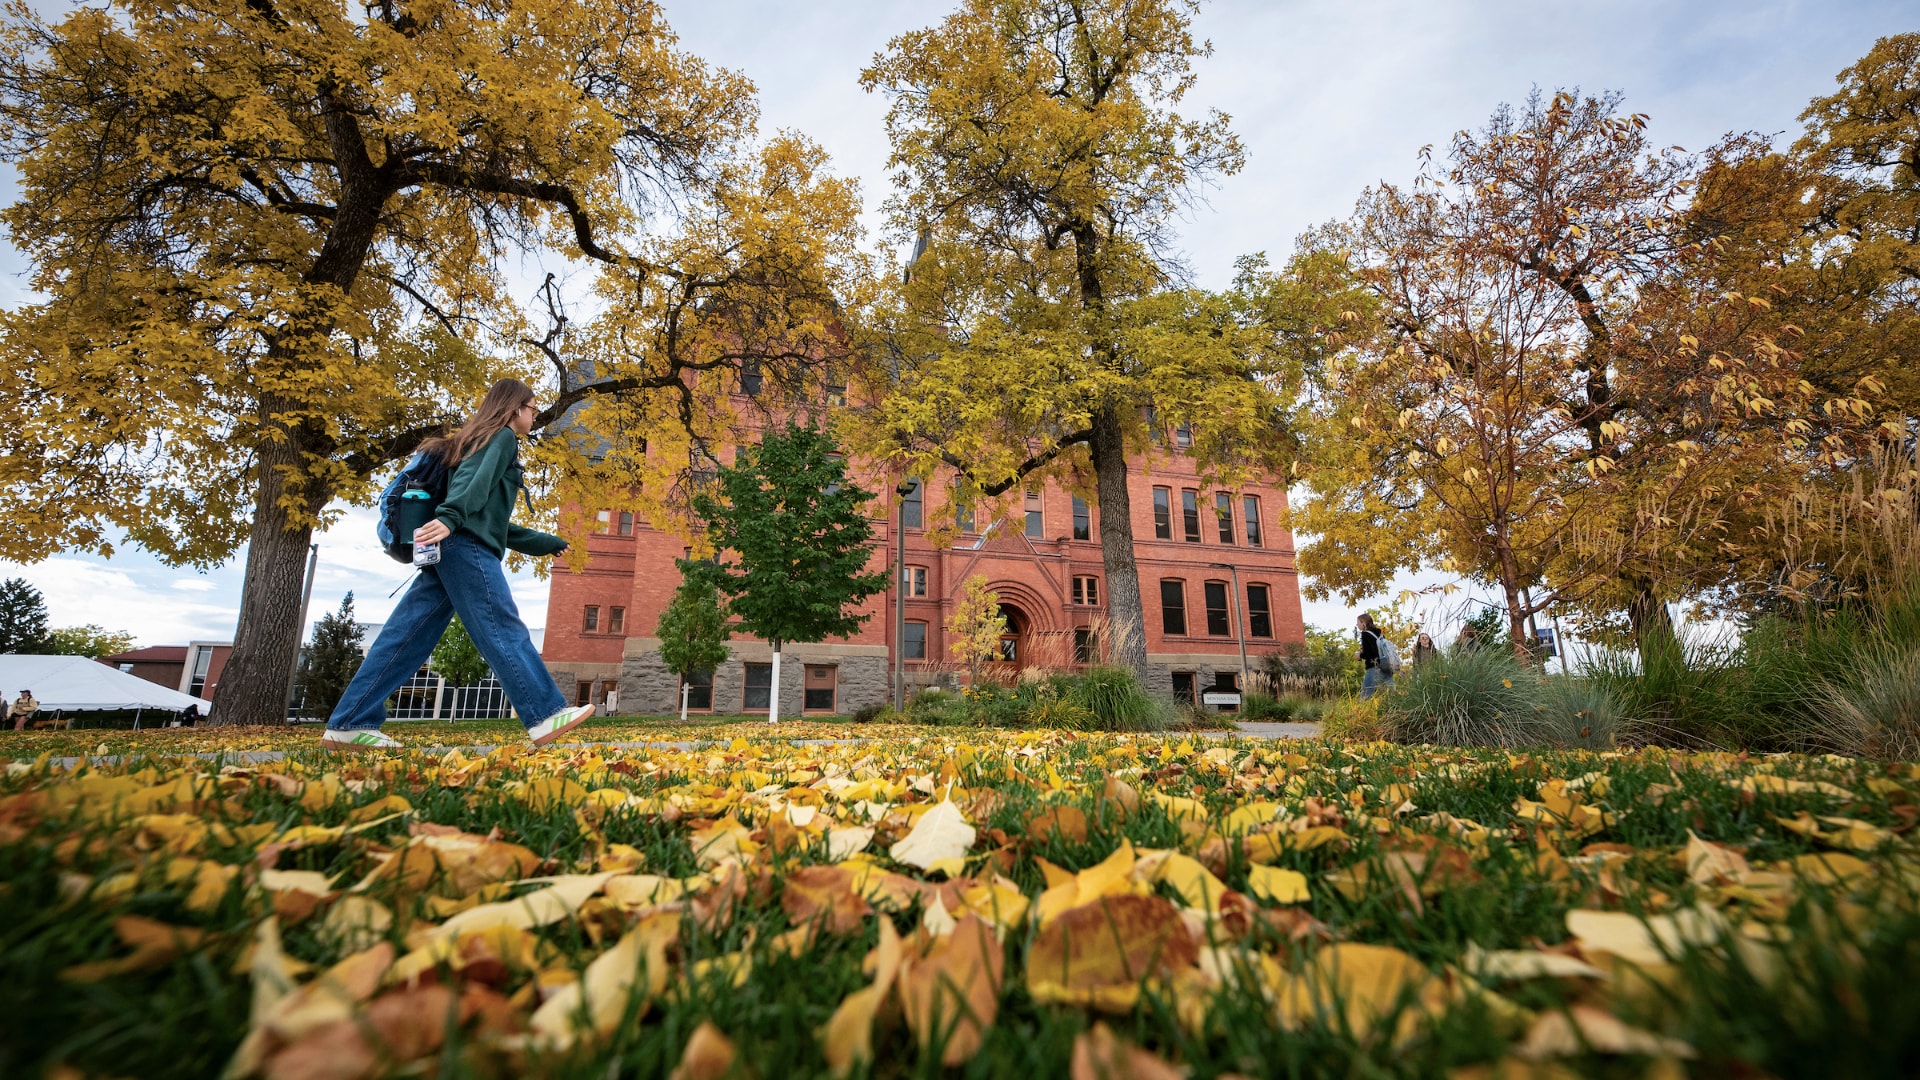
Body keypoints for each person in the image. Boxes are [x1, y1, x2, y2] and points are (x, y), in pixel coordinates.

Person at [322, 379, 594, 752]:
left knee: (406, 636)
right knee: (501, 626)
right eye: (532, 408)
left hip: (449, 545)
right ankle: (544, 713)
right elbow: (472, 487)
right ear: (515, 408)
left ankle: (348, 723)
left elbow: (488, 518)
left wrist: (543, 543)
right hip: (464, 547)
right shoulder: (502, 437)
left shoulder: (473, 441)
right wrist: (450, 518)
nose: (534, 415)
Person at [1355, 614, 1392, 699]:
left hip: (1373, 667)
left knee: (1365, 696)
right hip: (1386, 666)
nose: (1357, 625)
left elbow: (1369, 653)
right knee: (1391, 694)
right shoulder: (1379, 634)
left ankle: (1361, 712)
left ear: (1363, 623)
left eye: (1358, 623)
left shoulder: (1365, 634)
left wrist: (1360, 655)